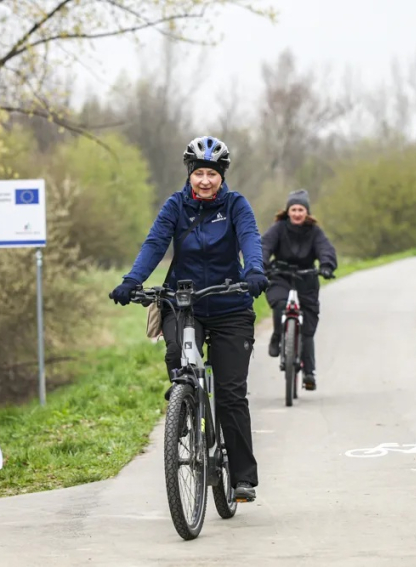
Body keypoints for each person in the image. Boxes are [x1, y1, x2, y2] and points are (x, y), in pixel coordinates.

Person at [110, 136, 268, 503]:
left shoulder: (235, 205)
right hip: (185, 304)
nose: (205, 181)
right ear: (189, 174)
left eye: (212, 174)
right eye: (199, 173)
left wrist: (254, 270)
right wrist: (132, 280)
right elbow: (155, 243)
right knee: (177, 359)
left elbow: (250, 238)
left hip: (230, 304)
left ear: (222, 175)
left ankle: (242, 477)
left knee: (230, 394)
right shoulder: (175, 206)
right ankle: (184, 405)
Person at [262, 189, 337, 391]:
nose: (297, 213)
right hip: (281, 276)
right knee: (279, 304)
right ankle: (277, 335)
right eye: (293, 209)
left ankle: (309, 373)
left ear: (307, 212)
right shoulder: (278, 228)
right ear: (287, 211)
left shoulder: (314, 231)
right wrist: (261, 264)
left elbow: (325, 249)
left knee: (308, 329)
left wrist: (326, 266)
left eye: (300, 210)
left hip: (306, 278)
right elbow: (264, 246)